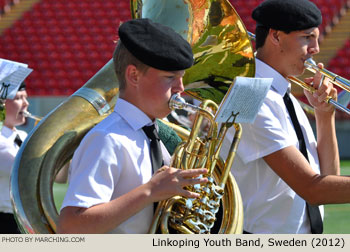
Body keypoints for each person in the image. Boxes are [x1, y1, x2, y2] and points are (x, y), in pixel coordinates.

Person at [57, 18, 208, 234]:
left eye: (182, 77)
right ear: (134, 75)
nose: (180, 88)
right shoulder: (107, 139)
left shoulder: (160, 134)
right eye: (170, 77)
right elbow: (71, 227)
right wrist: (150, 191)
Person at [222, 0, 350, 234]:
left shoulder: (285, 96)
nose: (316, 49)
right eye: (307, 37)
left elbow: (328, 179)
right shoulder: (249, 96)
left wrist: (324, 116)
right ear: (276, 36)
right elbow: (312, 189)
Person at [0, 82, 29, 234]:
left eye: (26, 98)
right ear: (2, 104)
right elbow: (25, 169)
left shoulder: (24, 137)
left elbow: (59, 177)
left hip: (22, 220)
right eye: (19, 98)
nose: (26, 103)